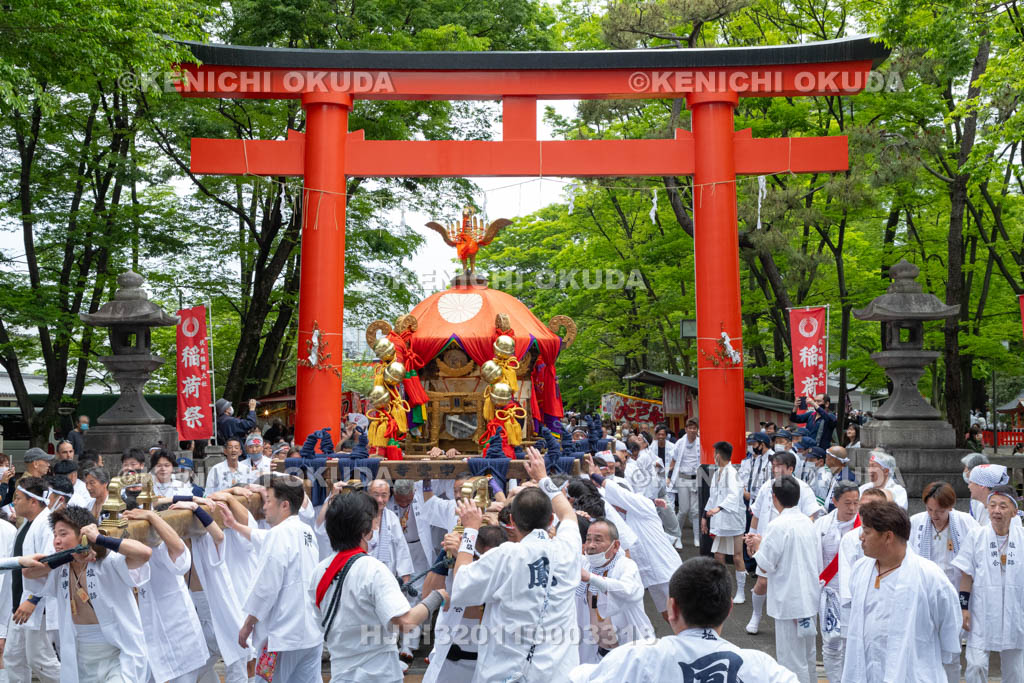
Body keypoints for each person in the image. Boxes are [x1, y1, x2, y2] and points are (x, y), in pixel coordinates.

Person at [449, 446, 582, 681]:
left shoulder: (506, 555)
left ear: (511, 520)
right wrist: (543, 479)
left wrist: (470, 531)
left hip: (505, 673)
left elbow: (461, 586)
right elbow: (569, 515)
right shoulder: (568, 548)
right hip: (558, 674)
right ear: (551, 519)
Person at [568, 557, 797, 682]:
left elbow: (574, 678)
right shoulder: (764, 669)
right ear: (729, 609)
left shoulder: (635, 658)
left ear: (672, 607)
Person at [311, 491, 447, 682]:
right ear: (366, 530)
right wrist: (437, 596)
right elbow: (405, 623)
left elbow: (319, 621)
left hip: (341, 673)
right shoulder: (373, 569)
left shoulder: (319, 571)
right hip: (378, 674)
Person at [842, 501, 962, 682]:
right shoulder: (860, 569)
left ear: (888, 537)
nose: (861, 537)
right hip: (866, 671)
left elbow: (950, 628)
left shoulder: (929, 576)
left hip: (913, 672)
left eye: (866, 531)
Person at [31, 506, 152, 682]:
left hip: (117, 654)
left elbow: (144, 553)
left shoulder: (107, 561)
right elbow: (28, 572)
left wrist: (100, 539)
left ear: (83, 534)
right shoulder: (60, 567)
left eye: (63, 534)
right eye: (55, 535)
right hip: (80, 656)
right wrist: (69, 556)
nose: (56, 541)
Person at [237, 476, 322, 681]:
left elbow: (266, 586)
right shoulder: (306, 531)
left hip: (284, 635)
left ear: (284, 505)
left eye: (268, 501)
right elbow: (261, 538)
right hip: (311, 633)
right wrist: (234, 524)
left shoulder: (279, 534)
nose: (264, 507)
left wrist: (249, 623)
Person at [746, 475, 822, 683]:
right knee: (808, 656)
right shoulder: (808, 523)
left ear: (774, 498)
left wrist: (756, 547)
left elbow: (765, 564)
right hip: (808, 597)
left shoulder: (777, 525)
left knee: (791, 661)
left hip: (789, 601)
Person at [587, 454, 681, 621]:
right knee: (667, 614)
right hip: (650, 575)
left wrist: (595, 476)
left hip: (667, 569)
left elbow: (617, 493)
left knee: (682, 613)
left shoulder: (642, 505)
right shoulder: (616, 515)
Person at [122, 505, 209, 683]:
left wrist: (152, 518)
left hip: (179, 633)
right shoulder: (121, 553)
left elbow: (180, 554)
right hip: (148, 638)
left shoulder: (160, 545)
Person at [953, 485, 1024, 683]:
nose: (996, 511)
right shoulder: (977, 536)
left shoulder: (1022, 538)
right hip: (982, 610)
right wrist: (963, 607)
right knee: (975, 665)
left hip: (1015, 611)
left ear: (1014, 511)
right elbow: (966, 574)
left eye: (1003, 506)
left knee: (1017, 671)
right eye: (992, 505)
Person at [4, 477, 60, 683]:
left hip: (36, 603)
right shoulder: (27, 525)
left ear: (33, 501)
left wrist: (34, 599)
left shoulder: (46, 524)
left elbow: (50, 565)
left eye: (17, 498)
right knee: (13, 657)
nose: (13, 502)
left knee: (40, 660)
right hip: (21, 602)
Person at [578, 518, 654, 656]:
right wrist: (576, 516)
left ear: (615, 546)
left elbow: (628, 591)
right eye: (588, 539)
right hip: (596, 652)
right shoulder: (585, 565)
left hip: (631, 651)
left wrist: (591, 578)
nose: (591, 545)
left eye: (598, 540)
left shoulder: (626, 566)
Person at [813, 480, 860, 683]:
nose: (852, 508)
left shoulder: (865, 526)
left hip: (856, 595)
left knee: (853, 643)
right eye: (847, 503)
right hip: (829, 592)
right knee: (831, 643)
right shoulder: (821, 525)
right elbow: (814, 560)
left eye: (856, 503)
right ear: (834, 501)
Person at [701, 441, 746, 603]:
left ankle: (741, 592)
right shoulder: (718, 473)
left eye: (714, 454)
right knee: (719, 556)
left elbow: (734, 495)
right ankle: (724, 589)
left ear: (718, 455)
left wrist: (718, 508)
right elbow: (712, 497)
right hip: (720, 521)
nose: (713, 457)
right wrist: (705, 517)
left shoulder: (732, 473)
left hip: (734, 521)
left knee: (737, 556)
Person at [665, 418, 700, 548]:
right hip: (682, 478)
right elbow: (673, 461)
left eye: (694, 428)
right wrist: (669, 476)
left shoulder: (700, 442)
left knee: (696, 510)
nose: (692, 430)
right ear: (686, 429)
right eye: (689, 427)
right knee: (684, 509)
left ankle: (697, 538)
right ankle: (677, 537)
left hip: (696, 478)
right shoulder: (680, 443)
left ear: (697, 429)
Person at [823, 446, 856, 512]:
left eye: (827, 457)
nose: (825, 460)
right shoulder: (836, 474)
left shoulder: (846, 478)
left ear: (833, 460)